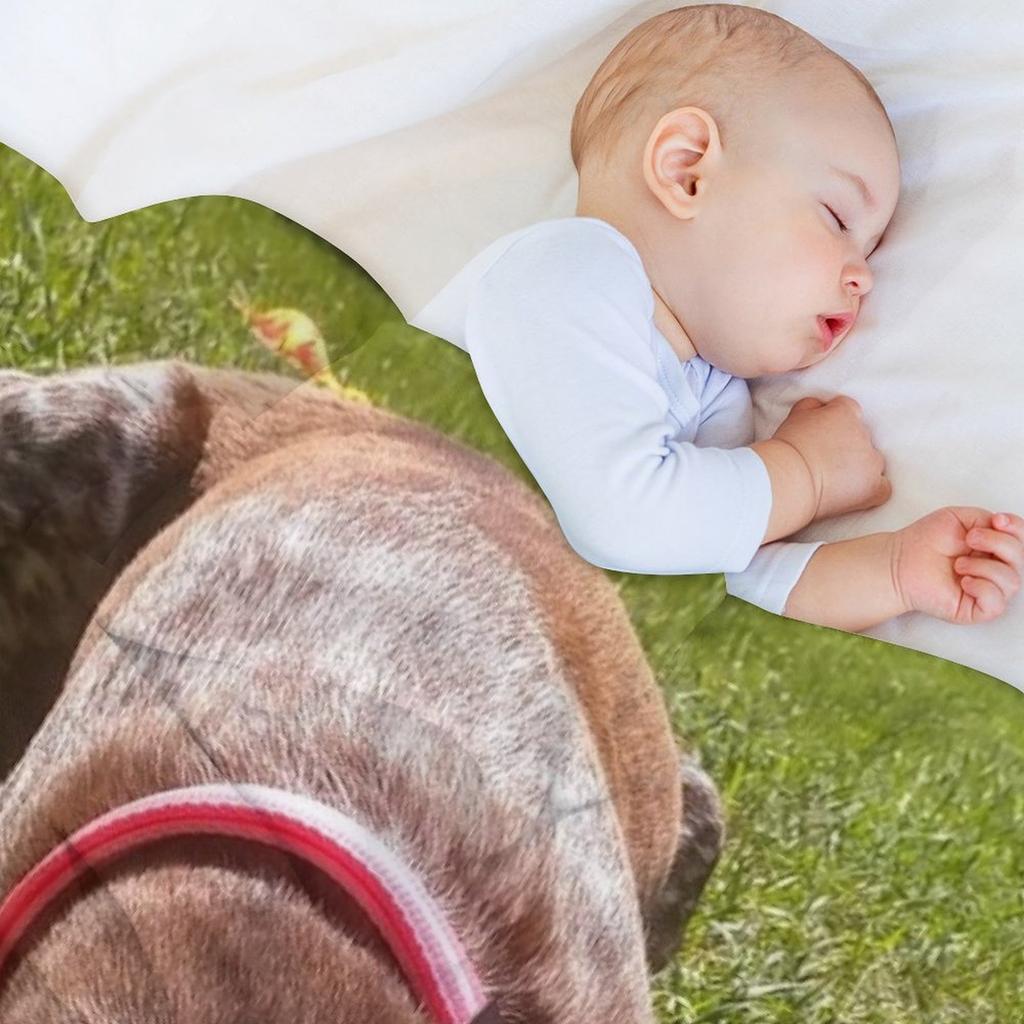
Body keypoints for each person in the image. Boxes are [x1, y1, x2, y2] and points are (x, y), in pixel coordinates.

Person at [413, 4, 1022, 632]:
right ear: (688, 171)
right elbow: (623, 518)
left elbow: (719, 575)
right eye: (838, 220)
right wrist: (804, 473)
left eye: (867, 250)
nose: (863, 275)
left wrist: (895, 570)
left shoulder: (710, 390)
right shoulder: (564, 269)